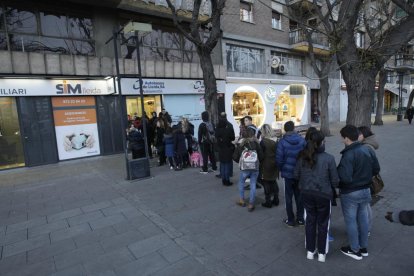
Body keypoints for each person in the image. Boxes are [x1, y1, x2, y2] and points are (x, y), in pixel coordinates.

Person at [294, 130, 339, 263]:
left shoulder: (302, 157)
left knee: (310, 222)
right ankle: (321, 253)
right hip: (323, 195)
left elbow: (296, 175)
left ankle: (310, 251)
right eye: (324, 140)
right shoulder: (329, 158)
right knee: (323, 223)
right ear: (320, 143)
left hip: (307, 193)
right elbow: (335, 181)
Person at [337, 125, 380, 261]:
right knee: (362, 218)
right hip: (365, 190)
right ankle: (363, 248)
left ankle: (355, 249)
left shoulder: (348, 154)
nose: (342, 140)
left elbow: (345, 177)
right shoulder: (367, 149)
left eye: (343, 138)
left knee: (351, 221)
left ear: (347, 138)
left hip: (350, 193)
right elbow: (376, 169)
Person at [276, 121, 306, 227]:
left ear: (285, 129)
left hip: (288, 174)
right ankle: (301, 218)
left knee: (288, 197)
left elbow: (279, 160)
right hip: (300, 173)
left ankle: (291, 219)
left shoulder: (282, 142)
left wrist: (282, 169)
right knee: (300, 196)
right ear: (294, 128)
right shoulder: (302, 140)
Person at [233, 127, 263, 212]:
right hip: (255, 168)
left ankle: (242, 200)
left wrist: (240, 162)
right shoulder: (256, 144)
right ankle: (251, 204)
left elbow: (235, 157)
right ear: (252, 135)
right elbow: (261, 156)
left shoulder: (240, 145)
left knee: (241, 182)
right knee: (253, 184)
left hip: (244, 168)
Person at [358, 126, 379, 236]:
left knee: (365, 207)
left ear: (363, 135)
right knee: (366, 206)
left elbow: (374, 167)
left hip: (365, 181)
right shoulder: (368, 145)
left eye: (358, 134)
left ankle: (366, 229)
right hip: (367, 180)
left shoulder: (366, 147)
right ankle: (367, 228)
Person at [259, 124, 280, 208]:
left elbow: (261, 155)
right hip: (274, 163)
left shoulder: (263, 142)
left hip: (266, 164)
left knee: (266, 182)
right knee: (273, 180)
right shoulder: (276, 140)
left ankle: (268, 201)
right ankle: (276, 199)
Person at [216, 117, 235, 186]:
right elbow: (232, 137)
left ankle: (223, 179)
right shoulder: (228, 130)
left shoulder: (217, 131)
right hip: (227, 149)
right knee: (227, 165)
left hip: (221, 150)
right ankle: (227, 180)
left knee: (223, 165)